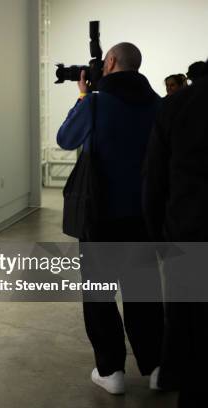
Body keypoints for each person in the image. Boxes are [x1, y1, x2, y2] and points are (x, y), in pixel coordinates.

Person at [57, 43, 163, 394]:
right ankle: (157, 367)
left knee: (99, 294)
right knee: (144, 292)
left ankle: (111, 370)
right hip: (146, 216)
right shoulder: (159, 104)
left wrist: (83, 98)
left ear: (112, 62)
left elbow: (65, 138)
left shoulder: (97, 103)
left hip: (101, 216)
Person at [144, 59, 208, 408]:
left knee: (189, 322)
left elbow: (153, 180)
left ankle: (177, 376)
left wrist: (158, 237)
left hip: (189, 232)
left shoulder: (176, 107)